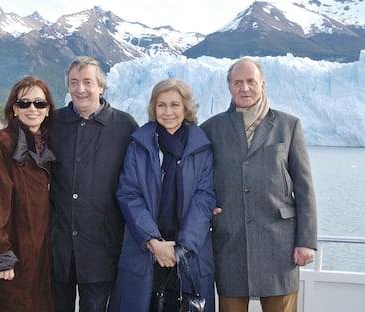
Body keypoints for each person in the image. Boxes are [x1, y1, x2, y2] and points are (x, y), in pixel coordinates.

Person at [201, 58, 318, 312]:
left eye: (250, 81)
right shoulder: (211, 129)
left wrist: (306, 240)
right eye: (237, 82)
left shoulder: (289, 126)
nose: (244, 88)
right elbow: (198, 179)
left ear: (262, 84)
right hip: (230, 242)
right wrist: (204, 208)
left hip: (280, 244)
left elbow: (304, 186)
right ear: (229, 87)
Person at [108, 78, 216, 312]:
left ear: (186, 107)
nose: (168, 112)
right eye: (161, 105)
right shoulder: (139, 144)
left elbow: (204, 197)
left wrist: (182, 248)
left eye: (175, 105)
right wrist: (154, 243)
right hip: (145, 247)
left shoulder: (201, 146)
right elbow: (129, 194)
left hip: (189, 251)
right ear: (153, 108)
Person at [49, 56, 138, 311]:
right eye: (74, 82)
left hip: (102, 250)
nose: (80, 89)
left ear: (101, 86)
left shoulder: (125, 126)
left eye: (87, 82)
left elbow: (144, 180)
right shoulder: (53, 123)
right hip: (58, 250)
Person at [0, 76, 57, 311]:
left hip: (36, 259)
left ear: (48, 110)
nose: (32, 109)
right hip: (9, 260)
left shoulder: (45, 149)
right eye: (24, 103)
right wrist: (0, 255)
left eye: (39, 103)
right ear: (14, 109)